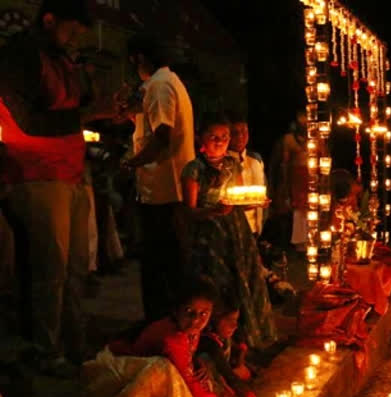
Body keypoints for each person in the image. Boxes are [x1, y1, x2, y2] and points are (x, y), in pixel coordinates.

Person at [0, 0, 116, 376]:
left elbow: (76, 106)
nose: (74, 39)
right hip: (36, 175)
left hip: (70, 172)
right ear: (50, 20)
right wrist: (88, 113)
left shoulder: (62, 58)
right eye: (71, 31)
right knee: (52, 268)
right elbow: (30, 121)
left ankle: (75, 344)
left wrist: (106, 107)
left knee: (76, 267)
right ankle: (46, 349)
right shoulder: (18, 56)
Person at [76, 280, 255, 397]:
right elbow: (185, 374)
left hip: (153, 368)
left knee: (201, 379)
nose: (196, 320)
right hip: (119, 372)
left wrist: (195, 362)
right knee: (167, 372)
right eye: (189, 312)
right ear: (176, 310)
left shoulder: (190, 330)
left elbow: (187, 356)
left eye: (204, 314)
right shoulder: (171, 337)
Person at [181, 114, 277, 352]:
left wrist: (255, 203)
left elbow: (237, 198)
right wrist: (214, 211)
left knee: (246, 281)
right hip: (210, 238)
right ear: (200, 139)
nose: (220, 142)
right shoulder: (193, 170)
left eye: (225, 137)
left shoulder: (232, 165)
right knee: (220, 289)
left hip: (237, 232)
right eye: (214, 137)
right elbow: (189, 211)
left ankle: (248, 342)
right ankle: (217, 347)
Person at [121, 33, 195, 322]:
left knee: (161, 265)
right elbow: (155, 127)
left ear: (138, 58)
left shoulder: (160, 85)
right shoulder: (165, 83)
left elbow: (162, 135)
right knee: (167, 263)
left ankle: (163, 326)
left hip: (164, 192)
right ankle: (168, 325)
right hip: (165, 191)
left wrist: (131, 163)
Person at [196, 295, 280, 397]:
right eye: (229, 320)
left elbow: (239, 348)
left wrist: (241, 354)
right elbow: (228, 375)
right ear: (214, 319)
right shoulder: (209, 343)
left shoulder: (223, 337)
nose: (234, 325)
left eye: (236, 320)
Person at [268, 109, 308, 252]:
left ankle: (311, 241)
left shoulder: (316, 137)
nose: (305, 126)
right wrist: (284, 183)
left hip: (310, 177)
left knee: (311, 210)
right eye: (302, 123)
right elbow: (284, 162)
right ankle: (298, 243)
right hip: (295, 177)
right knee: (298, 211)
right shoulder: (289, 139)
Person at [228, 112, 267, 235]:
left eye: (244, 132)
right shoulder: (222, 162)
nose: (240, 137)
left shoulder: (255, 160)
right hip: (232, 228)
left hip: (254, 228)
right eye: (235, 133)